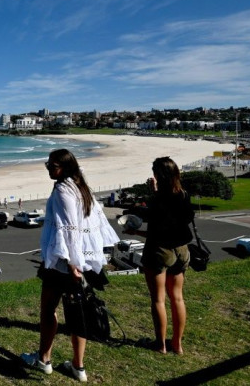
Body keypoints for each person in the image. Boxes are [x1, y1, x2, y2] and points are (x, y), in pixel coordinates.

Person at [22, 149, 119, 382]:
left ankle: (44, 359)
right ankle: (78, 366)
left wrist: (71, 263)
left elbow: (70, 230)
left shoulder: (64, 190)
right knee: (78, 314)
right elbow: (94, 222)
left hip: (64, 264)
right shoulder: (81, 187)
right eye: (47, 164)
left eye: (51, 165)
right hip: (80, 261)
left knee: (50, 310)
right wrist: (85, 260)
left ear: (63, 167)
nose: (48, 168)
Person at [124, 156, 194, 355]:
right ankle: (177, 345)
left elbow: (156, 228)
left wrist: (135, 233)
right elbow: (173, 217)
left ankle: (161, 344)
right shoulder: (183, 195)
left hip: (160, 250)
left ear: (158, 175)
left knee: (158, 299)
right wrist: (155, 192)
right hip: (181, 249)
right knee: (178, 298)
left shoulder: (157, 201)